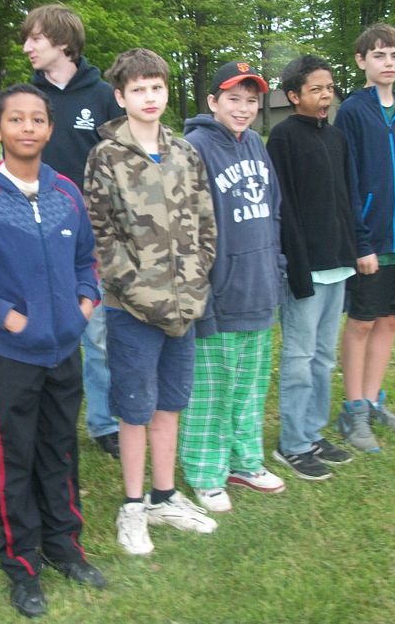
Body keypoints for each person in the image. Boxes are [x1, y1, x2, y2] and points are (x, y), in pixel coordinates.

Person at [0, 84, 105, 618]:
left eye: (38, 119)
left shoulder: (66, 192)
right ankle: (21, 563)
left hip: (64, 350)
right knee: (15, 458)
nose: (28, 128)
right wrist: (7, 316)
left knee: (60, 450)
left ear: (51, 129)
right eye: (16, 119)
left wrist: (84, 304)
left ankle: (65, 547)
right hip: (12, 357)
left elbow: (86, 259)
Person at [85, 49, 218, 555]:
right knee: (135, 408)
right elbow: (100, 235)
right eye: (138, 89)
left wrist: (196, 278)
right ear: (121, 97)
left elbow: (205, 223)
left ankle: (164, 497)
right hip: (133, 309)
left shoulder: (185, 153)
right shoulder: (105, 157)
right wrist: (141, 292)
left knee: (169, 403)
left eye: (157, 87)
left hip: (183, 308)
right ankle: (133, 504)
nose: (149, 97)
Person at [179, 61, 287, 513]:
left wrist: (275, 267)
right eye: (233, 99)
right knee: (211, 392)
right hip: (218, 296)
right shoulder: (194, 148)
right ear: (213, 101)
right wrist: (201, 292)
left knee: (249, 387)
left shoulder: (256, 144)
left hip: (258, 288)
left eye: (251, 100)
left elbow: (273, 210)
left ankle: (245, 462)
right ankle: (205, 473)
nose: (243, 108)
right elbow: (185, 229)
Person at [22, 4, 124, 458]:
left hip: (93, 238)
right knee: (42, 331)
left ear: (63, 42)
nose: (27, 47)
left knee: (97, 334)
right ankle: (47, 421)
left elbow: (122, 165)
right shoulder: (27, 98)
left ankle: (104, 423)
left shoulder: (102, 95)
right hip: (38, 234)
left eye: (36, 38)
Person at [333, 23, 395, 452]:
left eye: (394, 55)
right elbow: (348, 181)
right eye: (378, 55)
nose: (388, 63)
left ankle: (373, 402)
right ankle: (353, 410)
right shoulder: (353, 111)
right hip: (370, 240)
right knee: (362, 322)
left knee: (389, 319)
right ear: (362, 61)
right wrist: (361, 242)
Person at [267, 55, 357, 482]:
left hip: (338, 265)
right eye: (316, 89)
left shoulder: (336, 138)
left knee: (323, 358)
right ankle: (292, 443)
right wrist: (297, 269)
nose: (326, 96)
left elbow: (345, 199)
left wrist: (351, 252)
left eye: (330, 88)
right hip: (305, 271)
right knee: (300, 358)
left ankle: (313, 433)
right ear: (294, 95)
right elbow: (283, 209)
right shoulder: (283, 139)